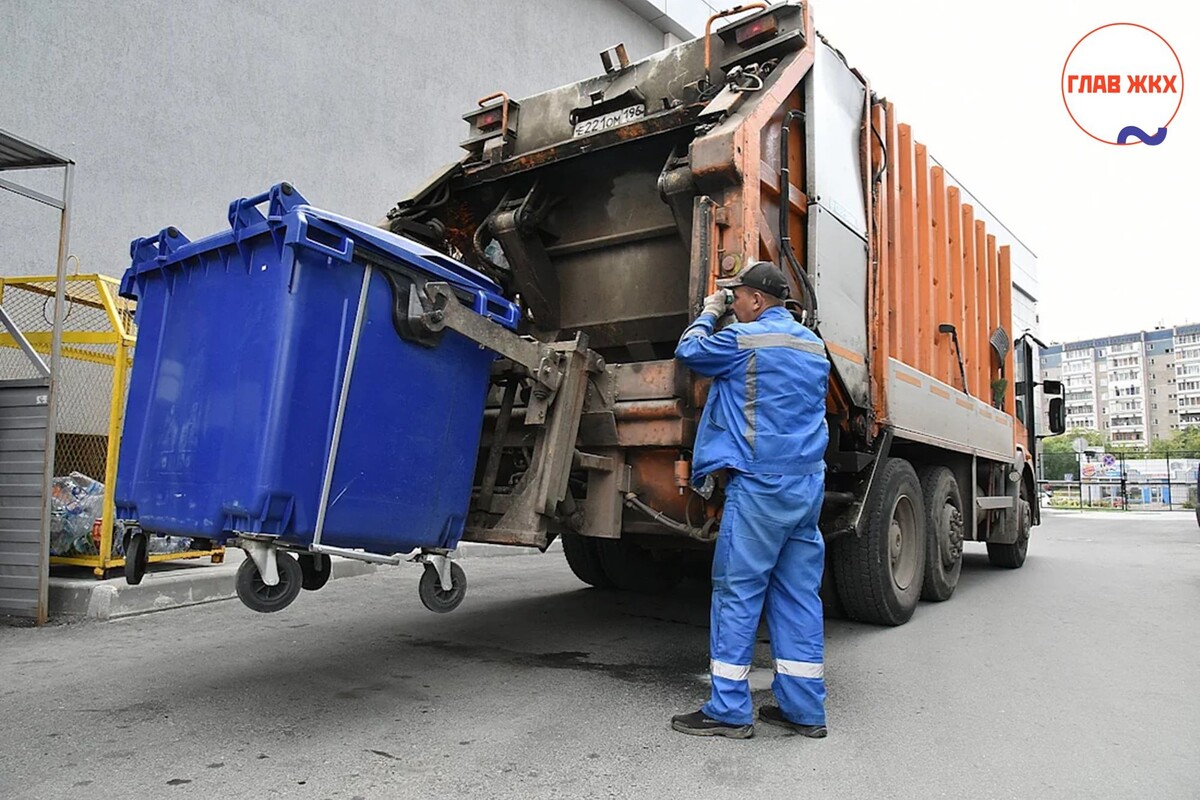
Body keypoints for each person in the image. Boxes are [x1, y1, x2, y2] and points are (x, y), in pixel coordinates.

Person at [670, 260, 831, 740]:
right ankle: (804, 711)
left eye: (737, 296)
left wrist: (708, 310)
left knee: (738, 593)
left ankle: (728, 710)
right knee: (798, 596)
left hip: (761, 486)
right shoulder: (814, 346)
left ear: (757, 301)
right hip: (806, 487)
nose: (733, 302)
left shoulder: (746, 340)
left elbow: (689, 351)